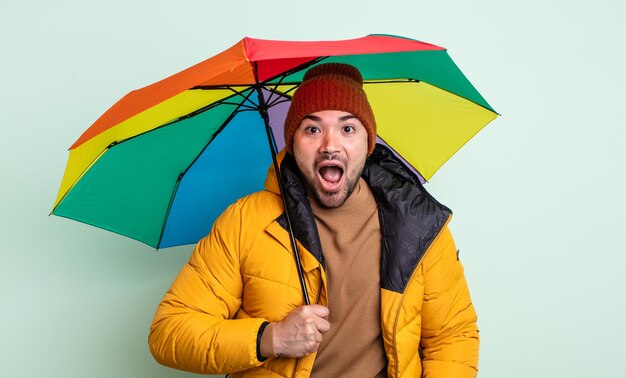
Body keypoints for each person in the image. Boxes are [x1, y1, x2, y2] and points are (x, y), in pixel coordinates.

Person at [149, 63, 479, 377]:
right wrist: (270, 338)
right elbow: (170, 330)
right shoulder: (244, 221)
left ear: (369, 144)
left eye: (348, 128)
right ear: (291, 144)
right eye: (312, 129)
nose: (329, 145)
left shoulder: (418, 223)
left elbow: (452, 337)